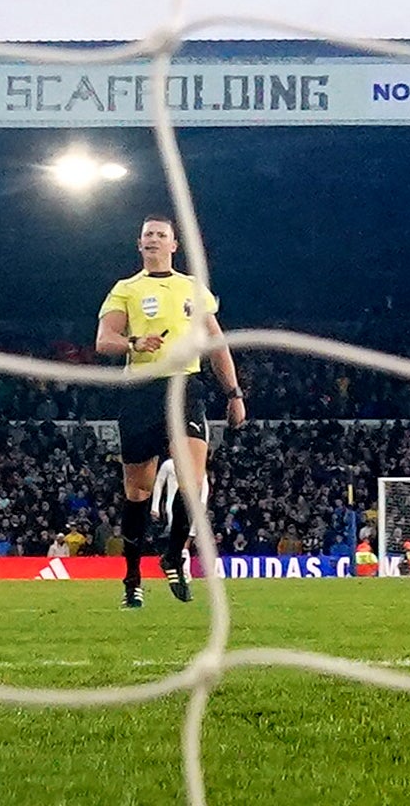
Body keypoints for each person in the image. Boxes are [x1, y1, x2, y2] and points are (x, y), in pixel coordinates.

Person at [95, 214, 244, 607]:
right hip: (141, 390)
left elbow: (217, 345)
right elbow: (103, 340)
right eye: (148, 235)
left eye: (161, 235)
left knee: (193, 481)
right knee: (138, 491)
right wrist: (133, 342)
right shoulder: (126, 289)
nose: (154, 240)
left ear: (174, 245)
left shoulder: (192, 289)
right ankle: (132, 581)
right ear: (139, 244)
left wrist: (234, 393)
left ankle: (172, 553)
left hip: (184, 387)